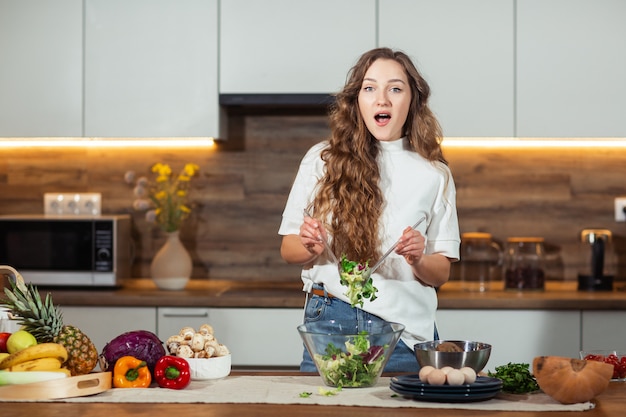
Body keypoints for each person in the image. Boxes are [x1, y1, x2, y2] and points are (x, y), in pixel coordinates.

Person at [278, 47, 460, 373]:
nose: (382, 100)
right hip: (331, 319)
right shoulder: (321, 159)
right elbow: (288, 249)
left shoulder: (435, 173)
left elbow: (442, 272)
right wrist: (308, 246)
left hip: (405, 334)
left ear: (413, 100)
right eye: (370, 88)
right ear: (357, 100)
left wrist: (419, 258)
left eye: (395, 88)